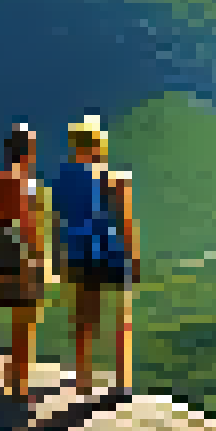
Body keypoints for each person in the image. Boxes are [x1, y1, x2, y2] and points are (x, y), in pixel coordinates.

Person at [51, 115, 142, 392]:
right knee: (121, 315)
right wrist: (133, 258)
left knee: (83, 316)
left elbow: (57, 222)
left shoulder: (62, 181)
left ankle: (83, 378)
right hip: (111, 252)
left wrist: (58, 259)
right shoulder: (114, 179)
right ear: (98, 146)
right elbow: (126, 222)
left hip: (78, 252)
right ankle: (122, 381)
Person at [0, 122, 54, 398]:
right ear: (29, 151)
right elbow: (27, 224)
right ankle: (19, 386)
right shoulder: (27, 182)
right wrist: (40, 259)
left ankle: (13, 379)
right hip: (21, 250)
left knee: (16, 320)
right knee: (27, 321)